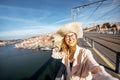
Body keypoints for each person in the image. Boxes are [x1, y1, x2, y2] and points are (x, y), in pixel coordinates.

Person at [52, 22, 118, 80]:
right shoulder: (66, 52)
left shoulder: (85, 53)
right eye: (67, 37)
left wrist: (108, 78)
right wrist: (58, 46)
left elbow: (96, 69)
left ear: (76, 38)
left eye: (73, 36)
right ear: (65, 40)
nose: (70, 39)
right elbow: (55, 55)